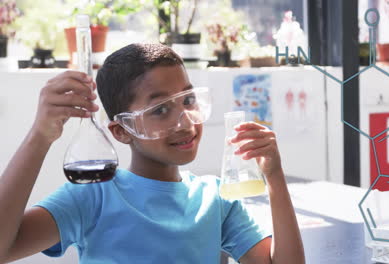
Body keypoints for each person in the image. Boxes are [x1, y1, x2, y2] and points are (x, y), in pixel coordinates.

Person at [0, 43, 304, 264]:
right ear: (122, 131)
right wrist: (40, 137)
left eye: (187, 101)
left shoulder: (215, 199)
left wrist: (274, 177)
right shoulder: (93, 196)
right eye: (160, 109)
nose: (184, 121)